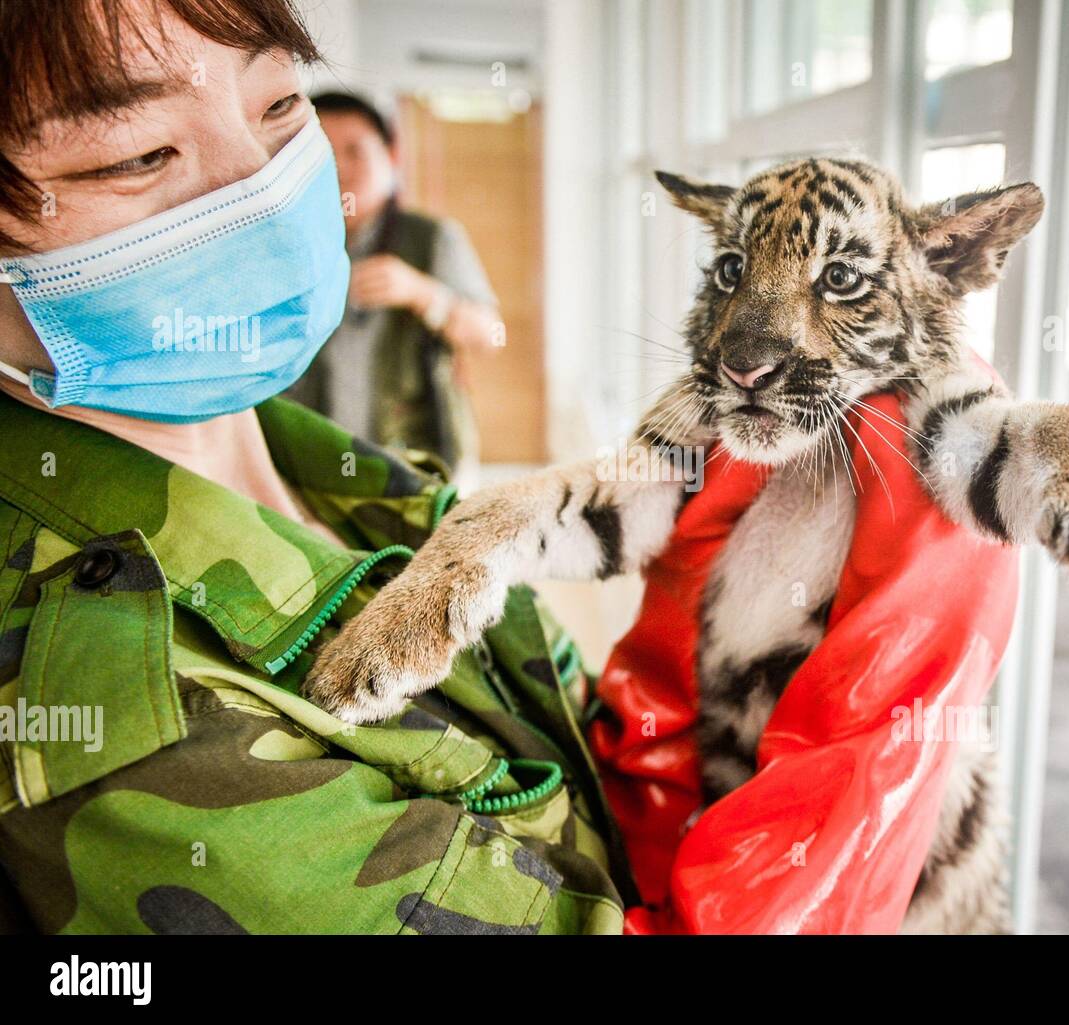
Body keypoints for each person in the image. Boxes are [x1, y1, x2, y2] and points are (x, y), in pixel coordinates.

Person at [0, 0, 628, 934]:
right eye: (136, 153)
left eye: (279, 103)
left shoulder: (358, 479)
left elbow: (587, 722)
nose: (260, 188)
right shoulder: (110, 705)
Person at [286, 91, 500, 478]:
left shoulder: (433, 237)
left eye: (355, 151)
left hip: (415, 463)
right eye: (323, 154)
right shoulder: (289, 243)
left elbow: (490, 335)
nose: (339, 168)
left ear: (392, 155)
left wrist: (421, 293)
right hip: (310, 462)